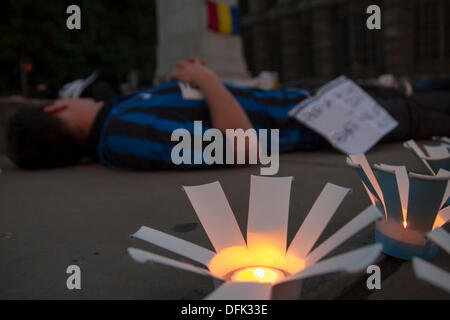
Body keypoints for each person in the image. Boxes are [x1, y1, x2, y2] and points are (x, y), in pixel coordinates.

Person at [5, 57, 450, 170]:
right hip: (319, 119)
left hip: (311, 101)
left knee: (422, 96)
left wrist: (193, 78)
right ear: (58, 106)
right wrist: (207, 78)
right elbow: (238, 148)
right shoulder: (124, 134)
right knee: (422, 110)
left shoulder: (120, 116)